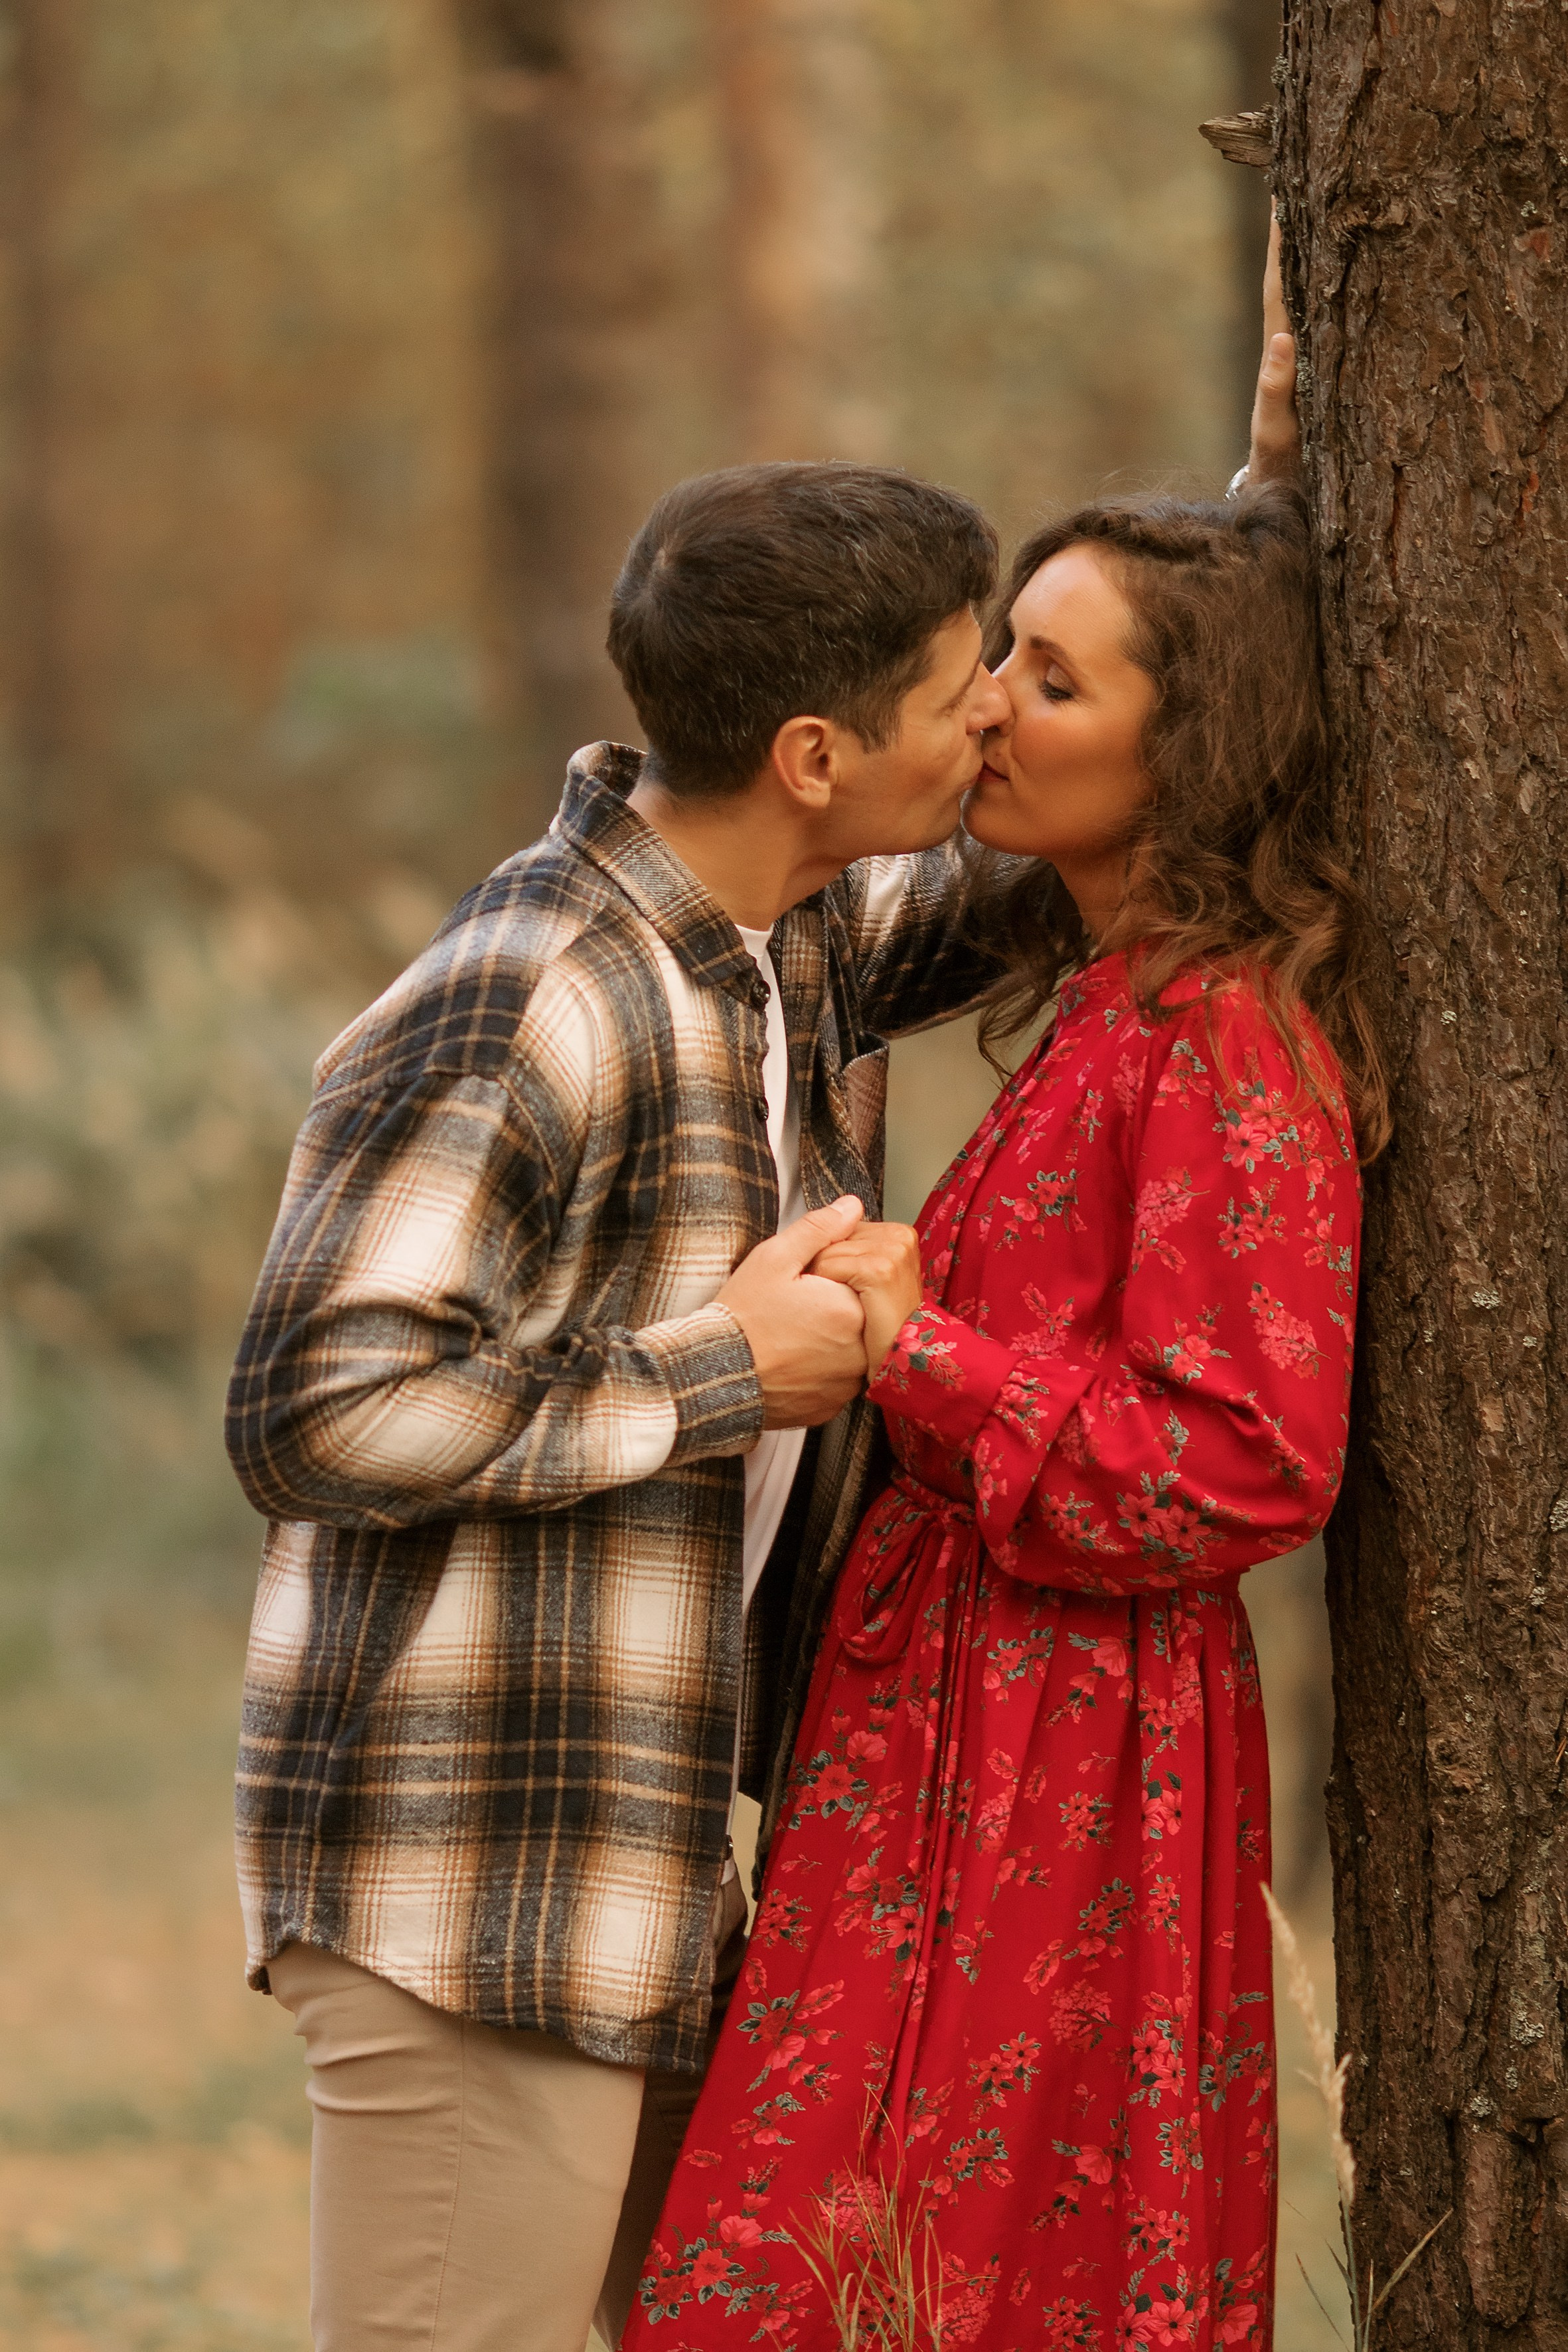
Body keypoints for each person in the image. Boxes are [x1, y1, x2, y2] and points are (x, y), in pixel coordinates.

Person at [226, 278, 1300, 2349]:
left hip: (630, 1877)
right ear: (816, 753)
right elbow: (317, 1409)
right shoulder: (529, 998)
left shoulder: (771, 937)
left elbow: (1075, 817)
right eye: (957, 682)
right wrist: (732, 1374)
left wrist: (1272, 507)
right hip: (473, 1887)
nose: (994, 713)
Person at [622, 477, 1388, 2352]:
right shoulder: (1106, 991)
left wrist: (919, 1353)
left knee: (912, 2283)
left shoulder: (1223, 1035)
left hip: (1067, 1755)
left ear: (1191, 741)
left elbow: (1245, 1463)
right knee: (799, 2278)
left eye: (1046, 680)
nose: (988, 711)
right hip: (931, 1722)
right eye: (993, 665)